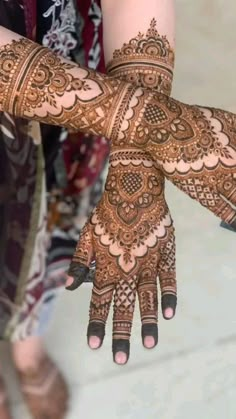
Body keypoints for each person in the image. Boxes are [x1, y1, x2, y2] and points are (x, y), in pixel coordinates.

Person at [0, 0, 235, 417]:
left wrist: (136, 162)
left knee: (49, 240)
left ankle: (28, 350)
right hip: (89, 105)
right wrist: (160, 126)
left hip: (72, 102)